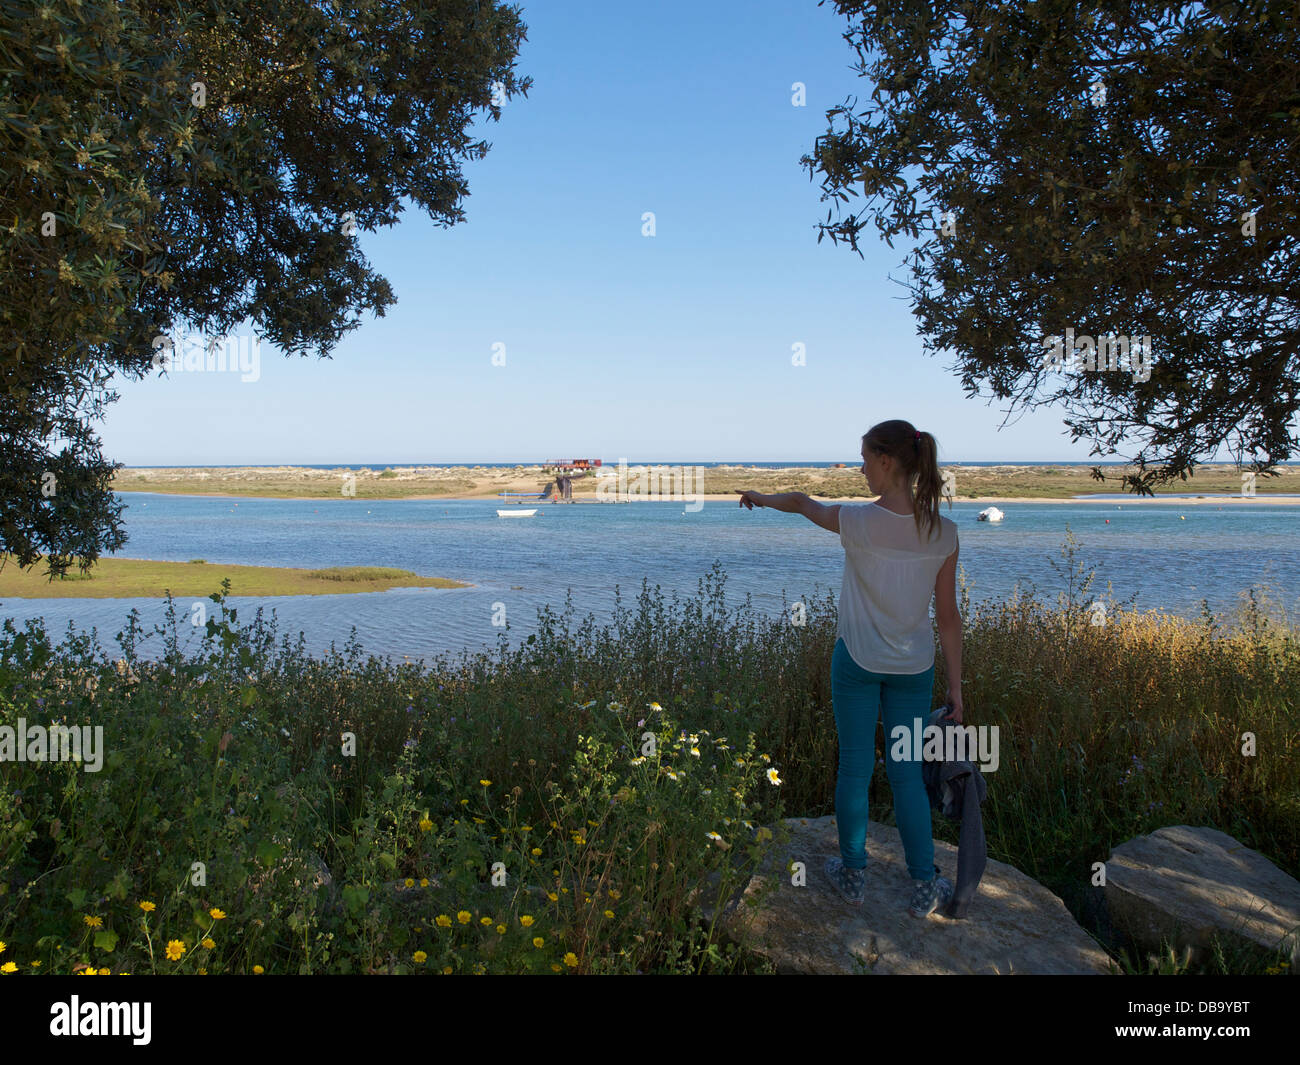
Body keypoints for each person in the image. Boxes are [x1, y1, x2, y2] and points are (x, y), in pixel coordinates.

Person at [735, 420, 962, 918]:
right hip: (914, 669)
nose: (861, 470)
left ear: (887, 462)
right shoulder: (944, 532)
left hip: (856, 662)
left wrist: (759, 495)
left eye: (864, 460)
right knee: (906, 776)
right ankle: (925, 883)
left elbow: (800, 502)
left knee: (855, 768)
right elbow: (948, 618)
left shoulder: (858, 521)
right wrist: (957, 691)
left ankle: (853, 875)